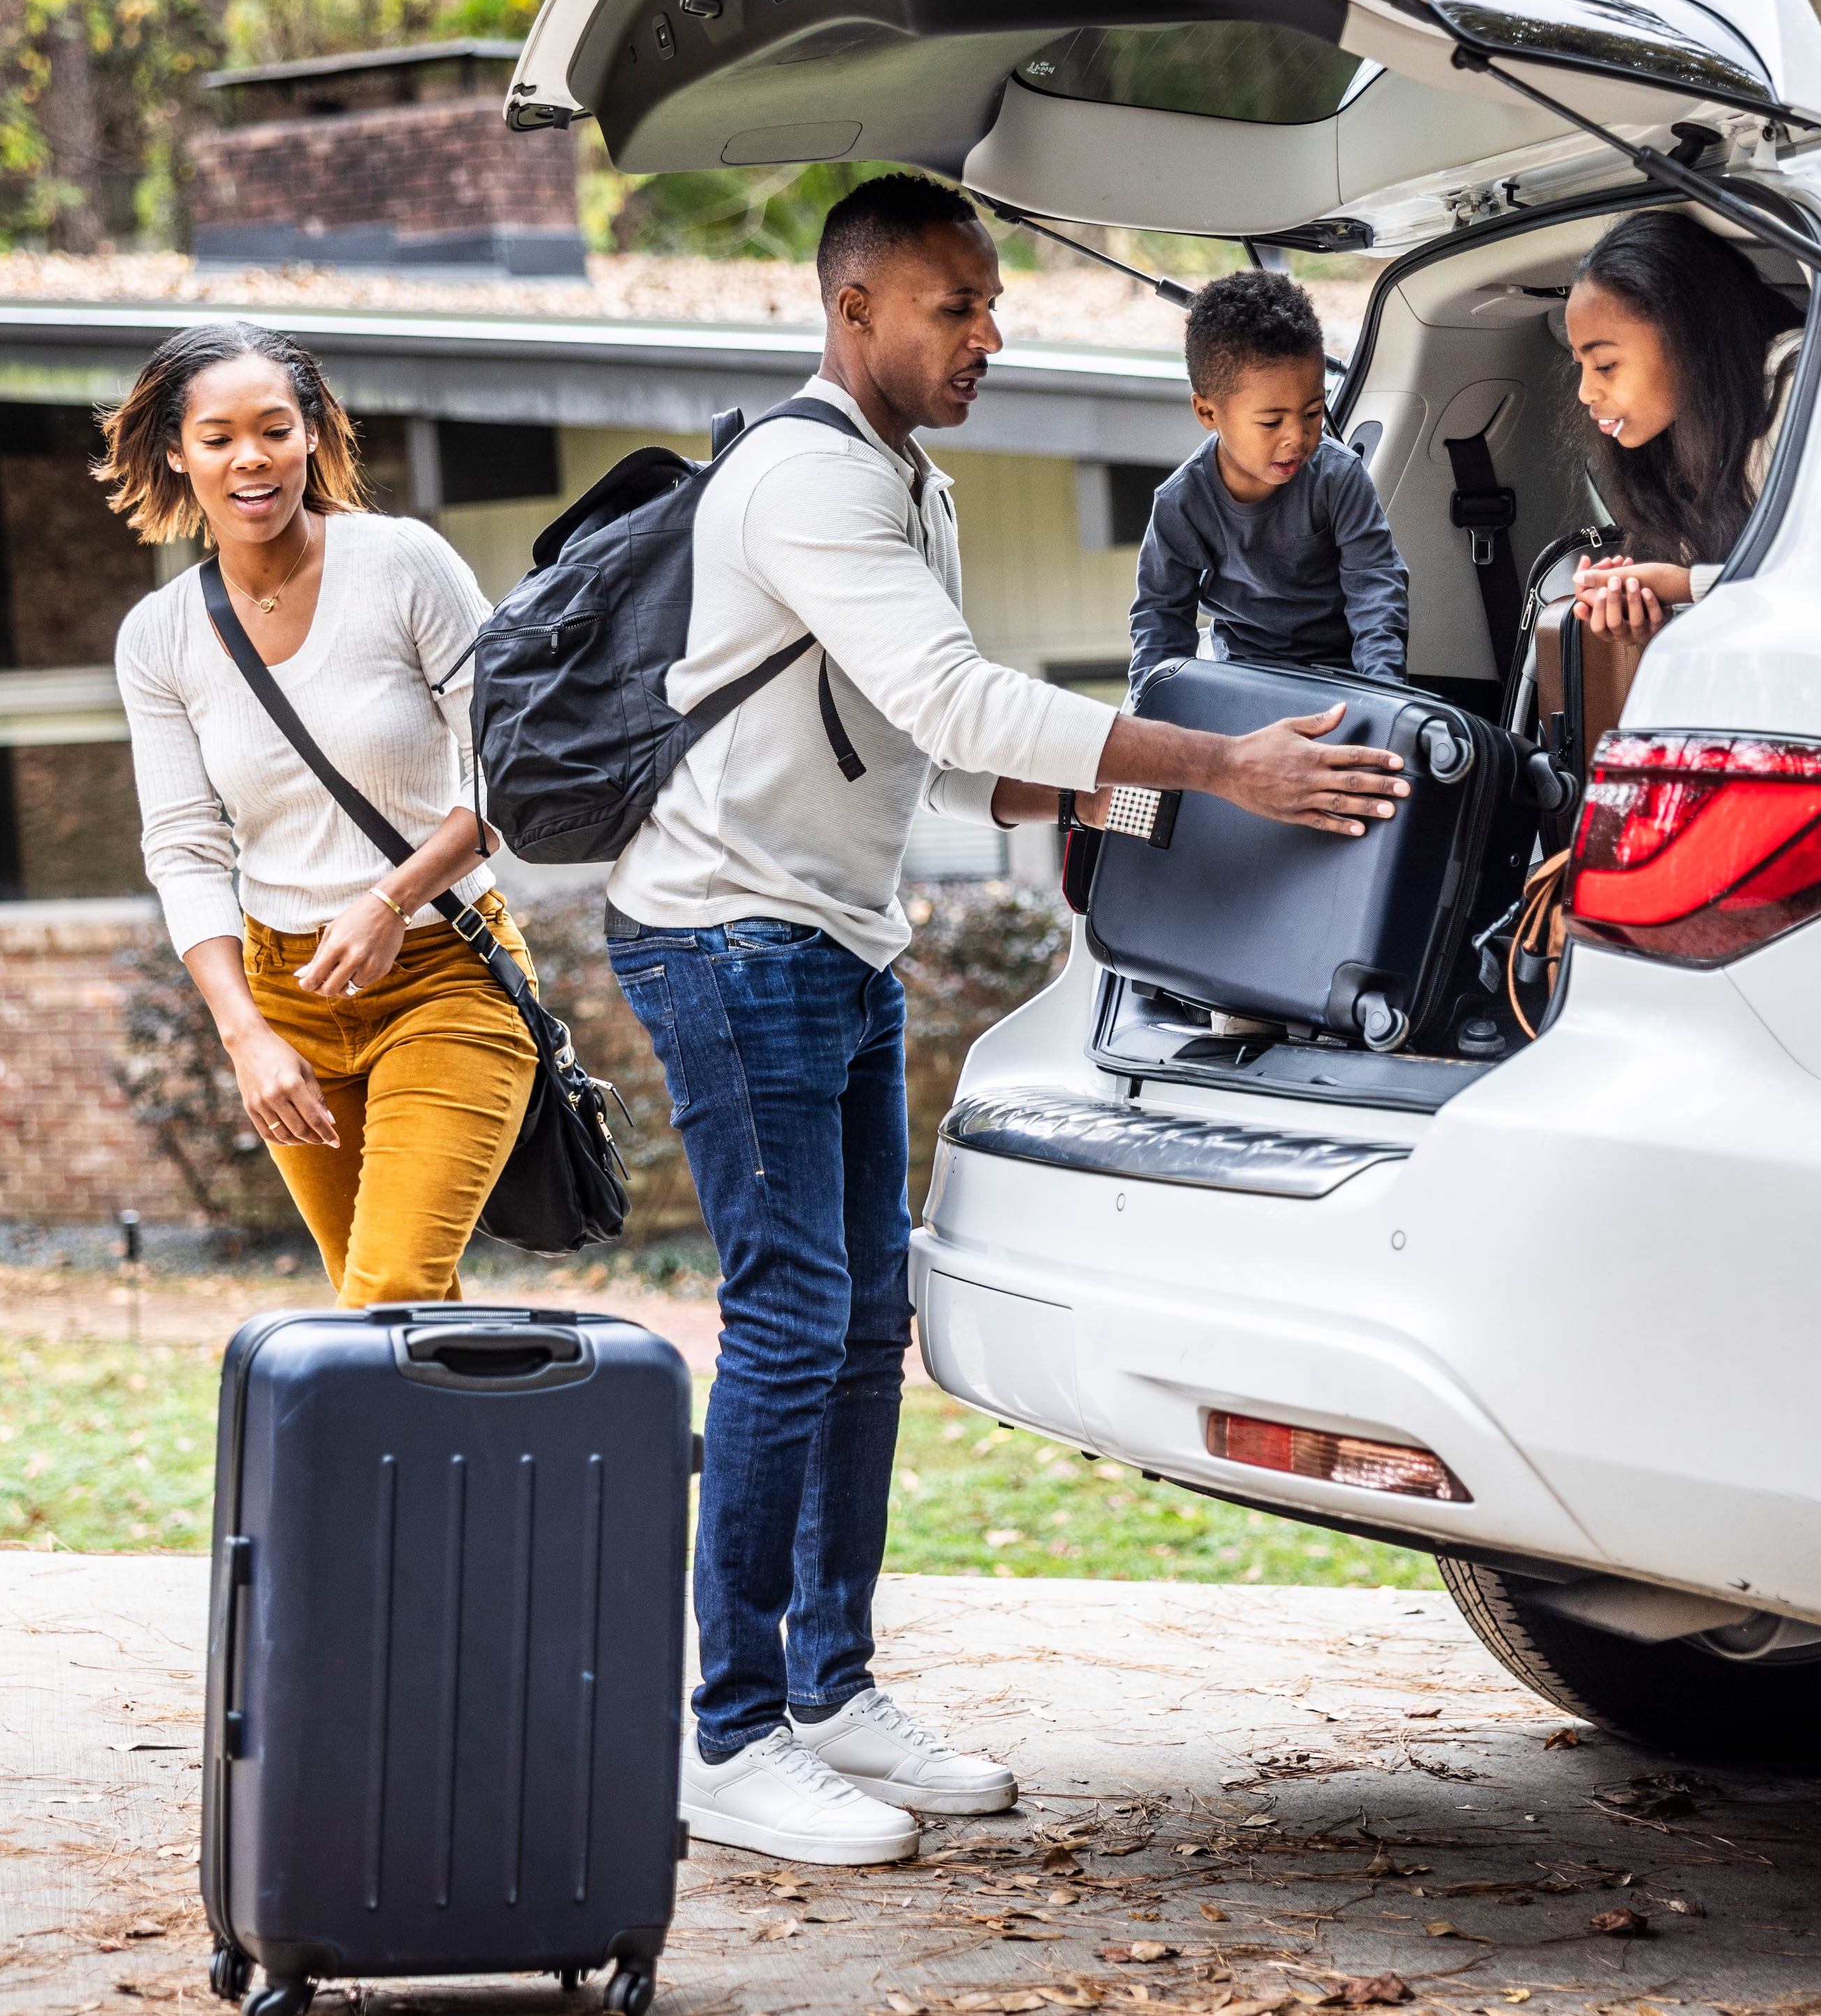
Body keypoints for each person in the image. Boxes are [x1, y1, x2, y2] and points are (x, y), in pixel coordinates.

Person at [605, 173, 1416, 1868]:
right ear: (853, 316)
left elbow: (957, 753)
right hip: (723, 934)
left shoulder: (914, 481)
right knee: (787, 1315)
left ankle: (827, 1687)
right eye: (954, 306)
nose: (991, 331)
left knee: (862, 1315)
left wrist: (1168, 833)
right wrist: (1223, 760)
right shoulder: (805, 476)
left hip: (830, 931)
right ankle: (726, 1729)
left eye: (989, 301)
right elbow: (959, 694)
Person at [107, 320, 536, 1307]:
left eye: (273, 428)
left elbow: (515, 771)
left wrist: (393, 898)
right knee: (380, 1307)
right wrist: (245, 1033)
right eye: (217, 437)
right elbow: (182, 846)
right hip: (286, 999)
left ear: (313, 436)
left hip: (445, 971)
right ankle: (454, 1465)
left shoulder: (402, 565)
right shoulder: (160, 639)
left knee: (389, 1289)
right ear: (178, 454)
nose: (249, 457)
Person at [1127, 269, 1409, 691]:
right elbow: (1161, 617)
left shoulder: (1339, 478)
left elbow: (1376, 589)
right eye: (1272, 421)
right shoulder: (1181, 504)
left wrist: (1384, 692)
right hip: (1246, 679)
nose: (1298, 436)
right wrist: (1156, 709)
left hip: (1345, 675)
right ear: (1209, 413)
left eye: (1313, 413)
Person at [1562, 211, 1806, 647]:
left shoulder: (1797, 382)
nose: (1585, 392)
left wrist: (1686, 587)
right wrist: (1655, 618)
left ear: (1686, 333)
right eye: (1581, 366)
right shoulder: (1680, 433)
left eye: (1606, 365)